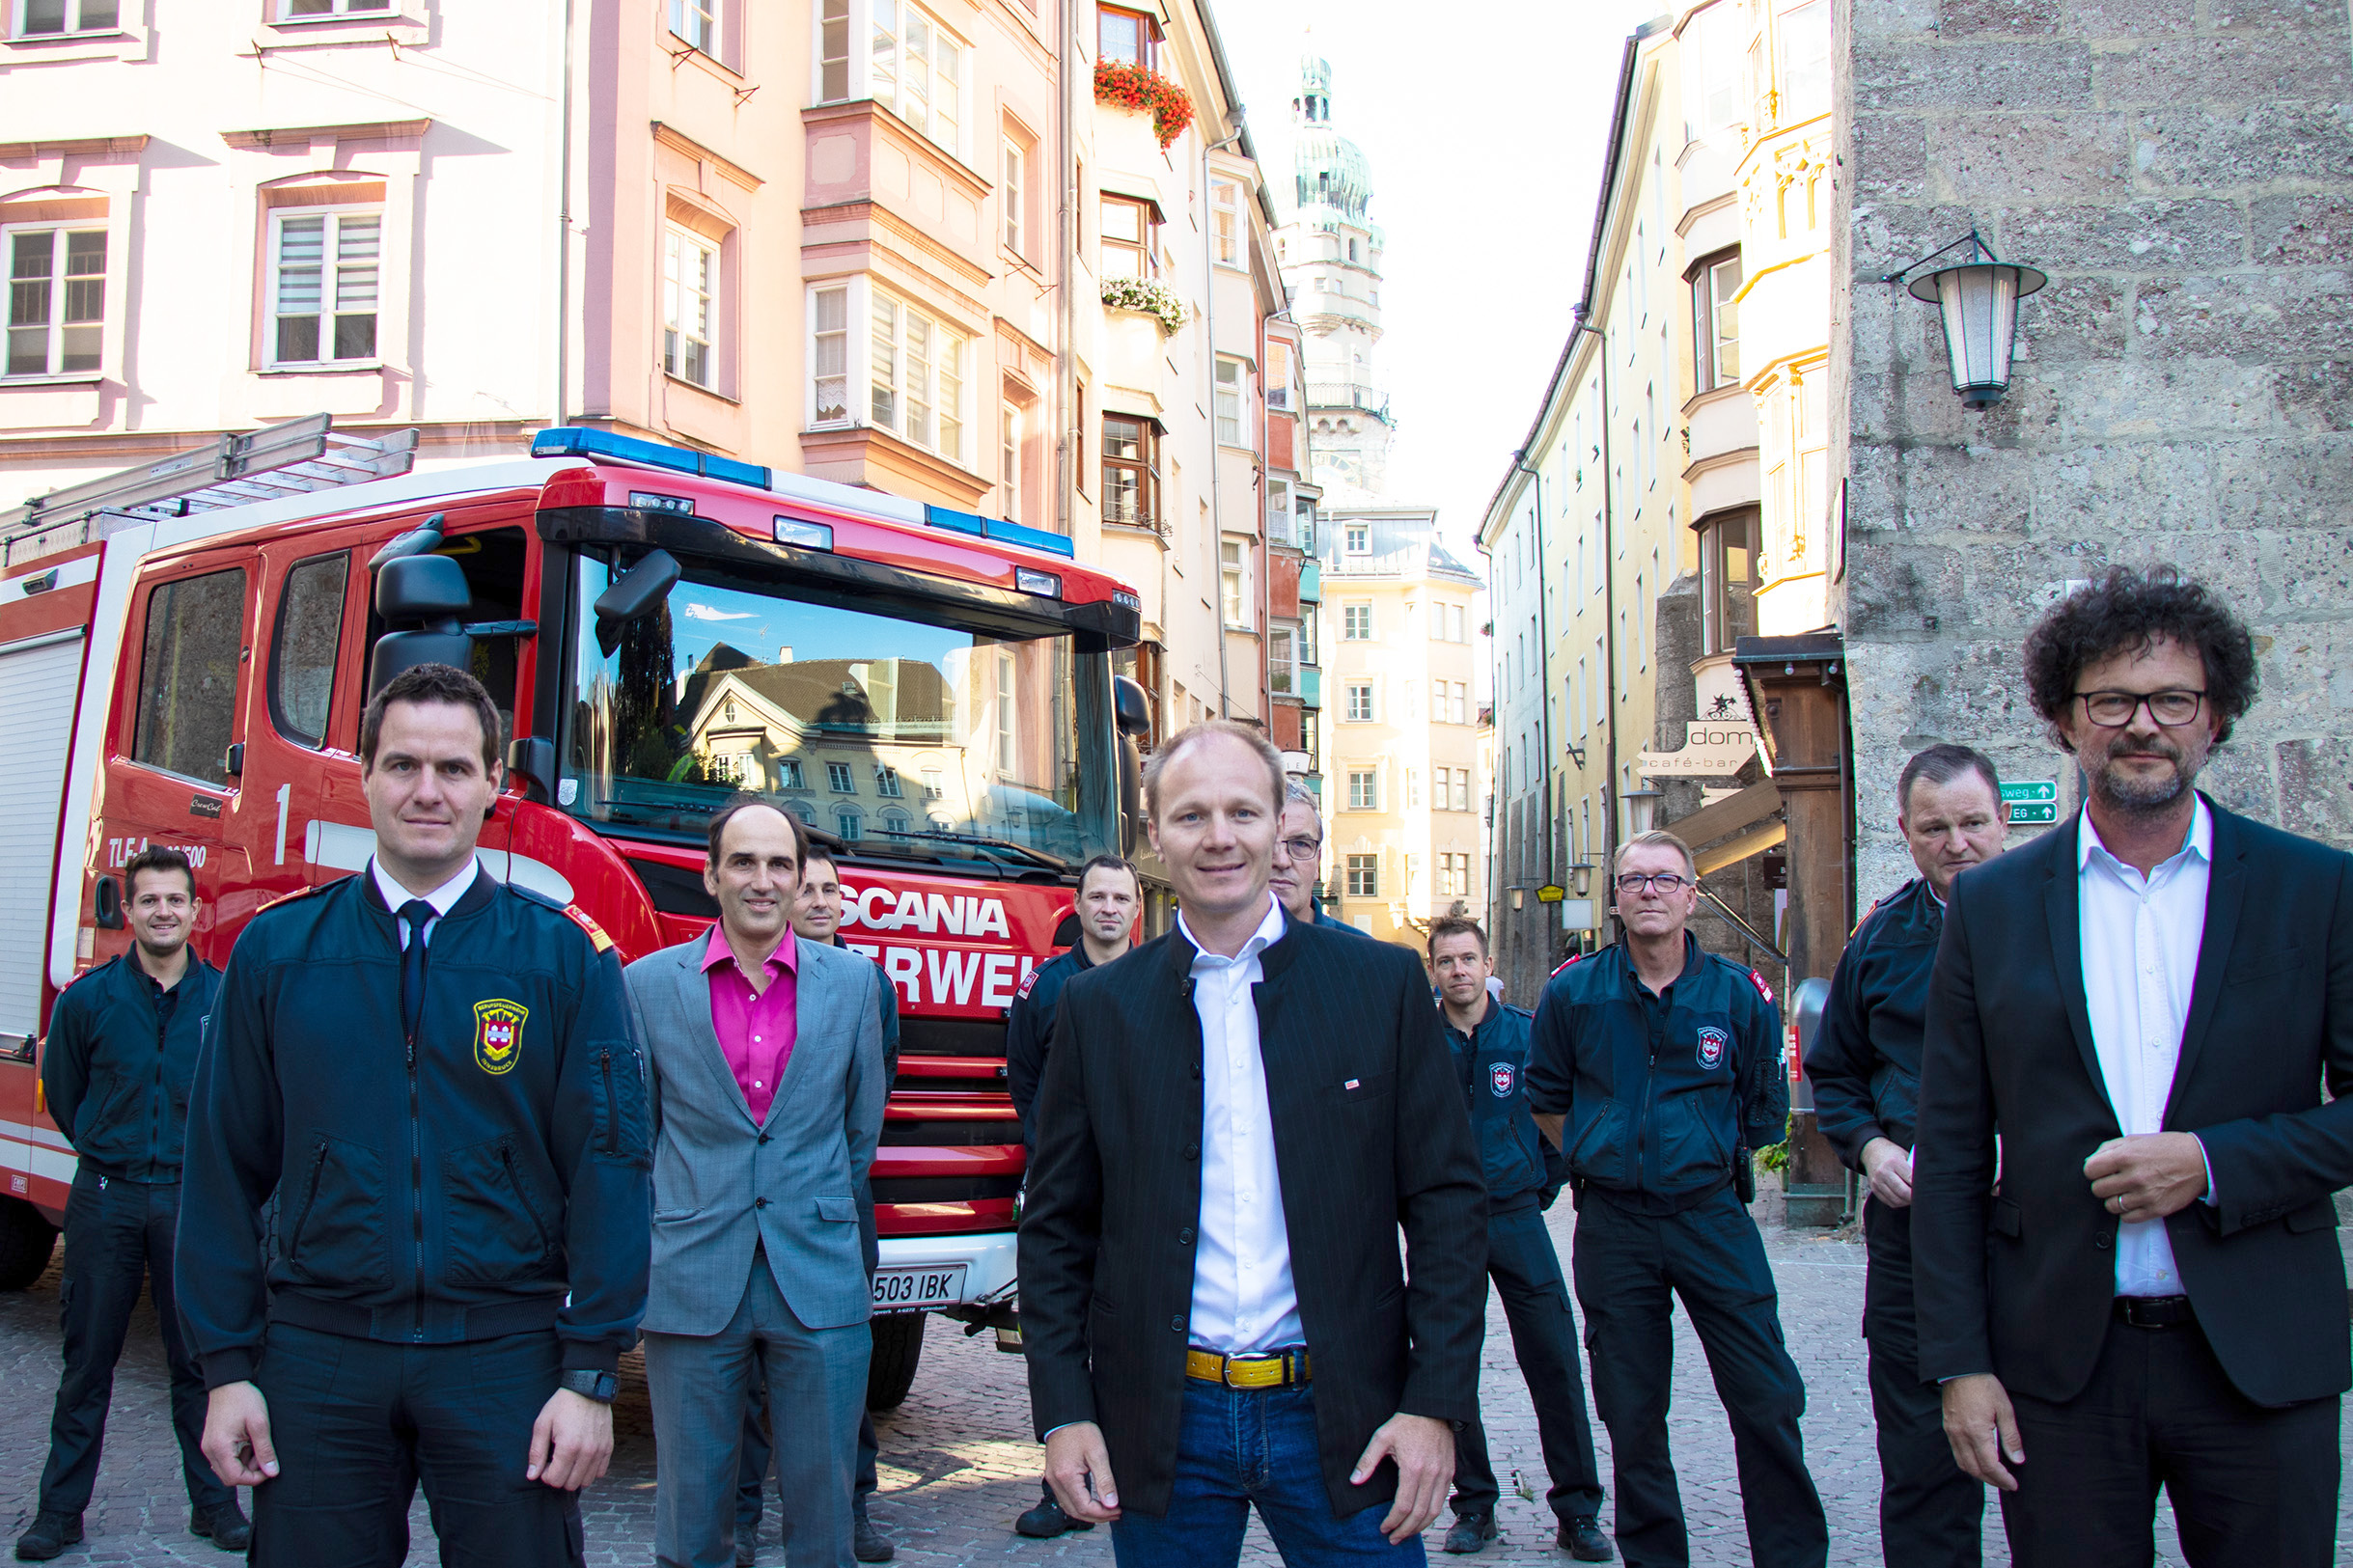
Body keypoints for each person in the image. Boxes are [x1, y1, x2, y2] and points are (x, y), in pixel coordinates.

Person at [1914, 566, 2353, 1567]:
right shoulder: (1993, 906)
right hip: (2056, 1370)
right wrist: (1959, 1364)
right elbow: (1944, 1151)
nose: (2140, 723)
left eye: (2172, 699)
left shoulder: (2315, 890)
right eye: (2109, 699)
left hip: (2256, 1356)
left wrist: (2213, 1160)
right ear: (2064, 720)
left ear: (2215, 717)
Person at [175, 663, 652, 1568]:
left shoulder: (560, 958)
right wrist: (228, 1368)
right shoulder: (277, 953)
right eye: (402, 765)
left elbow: (611, 1165)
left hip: (504, 1355)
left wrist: (591, 1372)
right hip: (320, 1356)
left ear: (493, 785)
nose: (426, 790)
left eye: (453, 768)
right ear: (363, 774)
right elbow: (220, 1168)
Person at [1019, 719, 1488, 1566]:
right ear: (1155, 835)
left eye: (1243, 810)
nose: (1220, 836)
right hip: (1164, 1419)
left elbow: (1448, 1203)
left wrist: (1436, 1402)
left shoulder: (1378, 986)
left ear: (1281, 825)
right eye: (1192, 815)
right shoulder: (1099, 1009)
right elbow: (1055, 1228)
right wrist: (1063, 1408)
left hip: (1347, 1413)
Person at [1526, 831, 1826, 1568]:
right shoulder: (1574, 992)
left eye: (1666, 879)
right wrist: (1605, 1150)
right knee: (1632, 1413)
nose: (1649, 891)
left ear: (1693, 894)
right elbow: (1545, 1099)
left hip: (1710, 1214)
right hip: (1614, 1223)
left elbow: (1762, 1106)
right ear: (1617, 897)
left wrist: (1697, 1152)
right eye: (1634, 880)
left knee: (1766, 1398)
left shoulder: (1734, 994)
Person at [625, 799, 887, 1568]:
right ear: (711, 876)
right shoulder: (645, 986)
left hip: (819, 1276)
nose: (763, 880)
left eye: (781, 864)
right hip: (693, 1276)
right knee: (691, 1527)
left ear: (801, 876)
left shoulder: (855, 985)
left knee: (824, 1529)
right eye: (744, 861)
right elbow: (638, 1136)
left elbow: (858, 1130)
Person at [1805, 745, 2006, 1568]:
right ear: (1906, 833)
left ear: (2002, 821)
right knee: (1923, 1455)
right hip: (1912, 1232)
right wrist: (1869, 1144)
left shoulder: (2058, 918)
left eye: (1972, 823)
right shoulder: (1880, 939)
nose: (1956, 842)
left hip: (2038, 1228)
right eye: (1935, 828)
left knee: (2062, 1455)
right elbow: (1837, 1071)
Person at [15, 848, 244, 1563]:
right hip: (106, 1199)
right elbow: (65, 1085)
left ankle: (215, 1508)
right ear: (130, 910)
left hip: (186, 1201)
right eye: (150, 901)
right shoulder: (88, 1001)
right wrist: (103, 1144)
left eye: (176, 900)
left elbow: (240, 1098)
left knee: (196, 1365)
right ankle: (59, 1514)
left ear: (194, 909)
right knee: (88, 1363)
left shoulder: (222, 1001)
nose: (164, 911)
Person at [731, 844, 902, 1566]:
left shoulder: (869, 984)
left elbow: (869, 1100)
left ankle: (851, 1505)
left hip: (837, 1208)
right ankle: (738, 1517)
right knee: (741, 1373)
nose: (826, 899)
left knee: (841, 1365)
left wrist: (833, 1184)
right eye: (813, 888)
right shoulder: (741, 980)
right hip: (747, 1211)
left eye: (836, 888)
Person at [1423, 917, 1612, 1562]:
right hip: (1448, 1222)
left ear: (1487, 960)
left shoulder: (1525, 1035)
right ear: (1434, 969)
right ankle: (1473, 1503)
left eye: (1468, 958)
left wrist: (1538, 1186)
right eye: (1446, 961)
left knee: (1554, 1358)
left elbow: (1559, 1120)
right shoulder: (1418, 1041)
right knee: (1452, 1365)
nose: (1458, 971)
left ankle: (1578, 1509)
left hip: (1516, 1215)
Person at [1002, 853, 1141, 1540]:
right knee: (1059, 1325)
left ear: (1136, 908)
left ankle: (1133, 1475)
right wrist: (1058, 1157)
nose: (1110, 908)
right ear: (1078, 906)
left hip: (1143, 1190)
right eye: (1098, 896)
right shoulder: (1046, 987)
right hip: (1069, 1188)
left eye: (1122, 896)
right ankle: (1061, 1485)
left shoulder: (1166, 978)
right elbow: (1024, 1075)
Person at [1269, 783, 1372, 935]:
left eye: (1300, 844)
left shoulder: (1364, 955)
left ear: (1318, 861)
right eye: (1269, 843)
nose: (1283, 861)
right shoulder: (1221, 951)